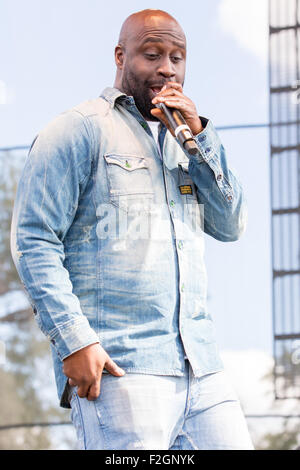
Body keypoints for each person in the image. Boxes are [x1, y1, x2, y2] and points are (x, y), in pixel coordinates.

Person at [11, 9, 254, 450]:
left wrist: (200, 139)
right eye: (152, 54)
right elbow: (34, 239)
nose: (167, 67)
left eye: (177, 57)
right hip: (122, 367)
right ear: (121, 57)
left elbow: (231, 223)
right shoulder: (78, 130)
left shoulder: (188, 142)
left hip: (201, 368)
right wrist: (73, 341)